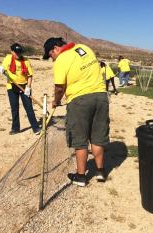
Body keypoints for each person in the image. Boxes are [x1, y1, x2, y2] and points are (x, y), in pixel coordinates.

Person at [43, 37, 109, 187]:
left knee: (80, 140)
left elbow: (60, 87)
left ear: (55, 49)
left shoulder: (61, 60)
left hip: (80, 101)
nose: (52, 59)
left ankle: (80, 176)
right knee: (98, 136)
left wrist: (56, 101)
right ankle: (100, 172)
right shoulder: (84, 48)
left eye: (50, 55)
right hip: (101, 97)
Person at [0, 43, 40, 135]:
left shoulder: (26, 60)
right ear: (12, 51)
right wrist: (1, 68)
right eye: (16, 52)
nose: (18, 54)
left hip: (24, 86)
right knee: (14, 108)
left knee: (29, 108)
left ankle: (35, 128)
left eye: (19, 52)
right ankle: (15, 128)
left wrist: (28, 87)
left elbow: (30, 75)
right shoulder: (8, 58)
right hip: (12, 86)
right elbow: (3, 67)